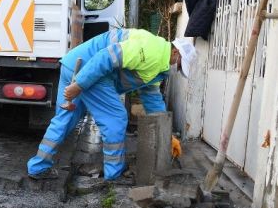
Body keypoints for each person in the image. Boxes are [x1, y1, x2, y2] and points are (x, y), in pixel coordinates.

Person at [27, 28, 197, 181]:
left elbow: (152, 98)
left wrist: (168, 137)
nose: (177, 67)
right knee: (115, 118)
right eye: (180, 63)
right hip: (90, 69)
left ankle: (38, 167)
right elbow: (107, 57)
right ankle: (113, 176)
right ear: (176, 51)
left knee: (65, 119)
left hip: (74, 64)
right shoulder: (152, 51)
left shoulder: (159, 63)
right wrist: (79, 85)